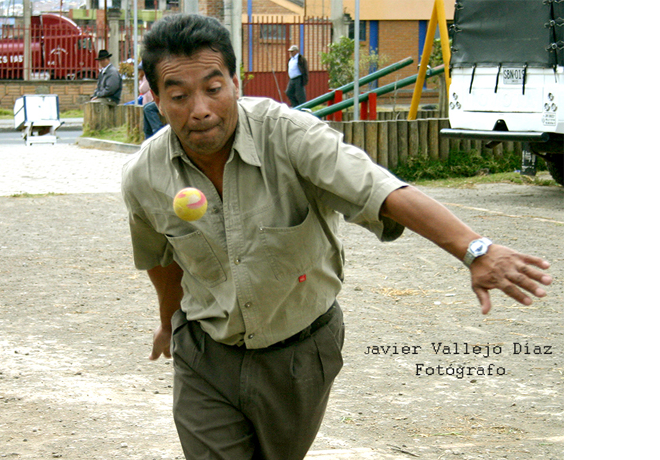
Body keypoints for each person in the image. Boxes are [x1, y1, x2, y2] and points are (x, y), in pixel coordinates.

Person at [121, 13, 552, 460]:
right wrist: (169, 321)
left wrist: (473, 248)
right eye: (178, 95)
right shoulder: (144, 176)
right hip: (206, 354)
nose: (201, 109)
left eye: (213, 89)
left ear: (235, 82)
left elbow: (380, 190)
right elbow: (161, 257)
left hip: (300, 353)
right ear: (155, 98)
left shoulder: (290, 136)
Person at [138, 62, 164, 138]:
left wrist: (143, 78)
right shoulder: (145, 77)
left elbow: (143, 89)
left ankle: (158, 131)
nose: (139, 72)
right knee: (146, 107)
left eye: (140, 70)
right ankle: (148, 136)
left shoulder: (149, 76)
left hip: (160, 100)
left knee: (148, 108)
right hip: (152, 100)